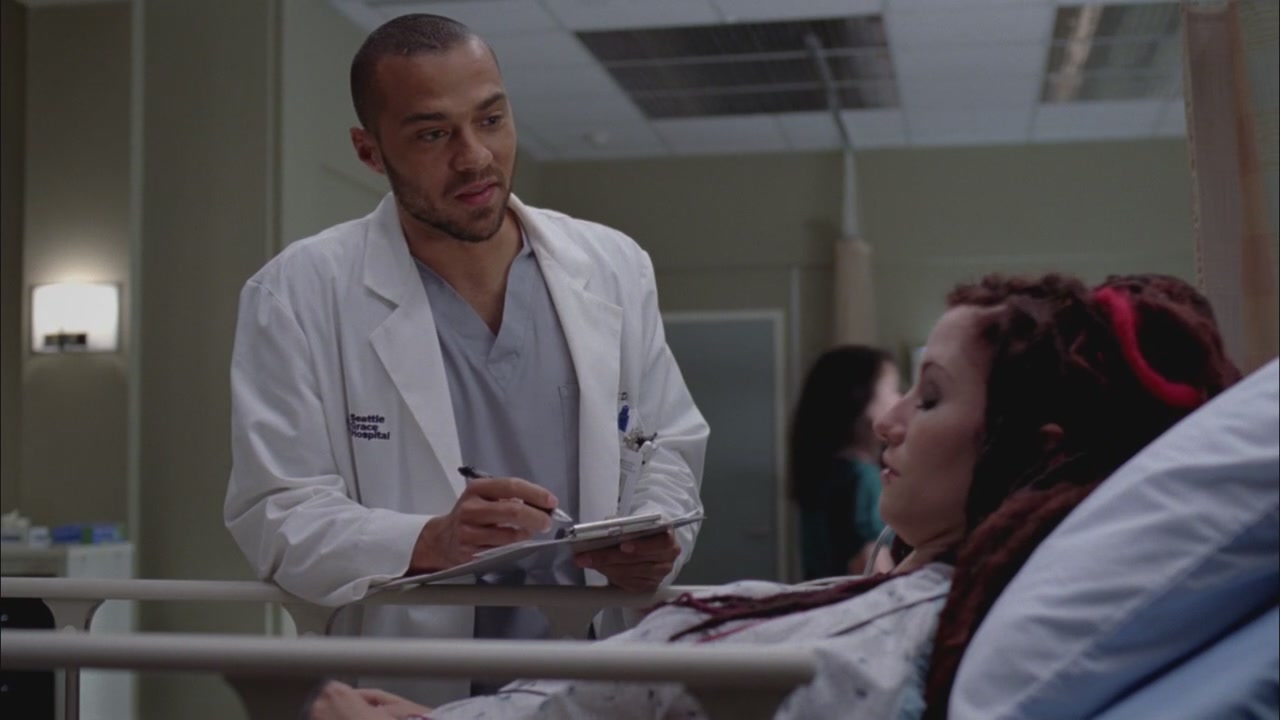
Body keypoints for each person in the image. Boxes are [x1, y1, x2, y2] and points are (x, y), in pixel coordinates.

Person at [308, 271, 1239, 720]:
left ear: (1032, 450)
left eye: (929, 397)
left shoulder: (883, 647)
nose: (889, 423)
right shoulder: (890, 597)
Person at [223, 13, 708, 705]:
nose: (475, 156)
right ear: (369, 152)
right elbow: (277, 513)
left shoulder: (613, 266)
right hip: (408, 688)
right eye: (432, 134)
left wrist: (654, 538)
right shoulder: (297, 293)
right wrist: (430, 539)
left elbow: (665, 444)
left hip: (593, 678)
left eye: (491, 119)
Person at [791, 346, 900, 580]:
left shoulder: (824, 471)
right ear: (862, 401)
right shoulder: (863, 478)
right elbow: (874, 569)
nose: (900, 400)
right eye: (893, 390)